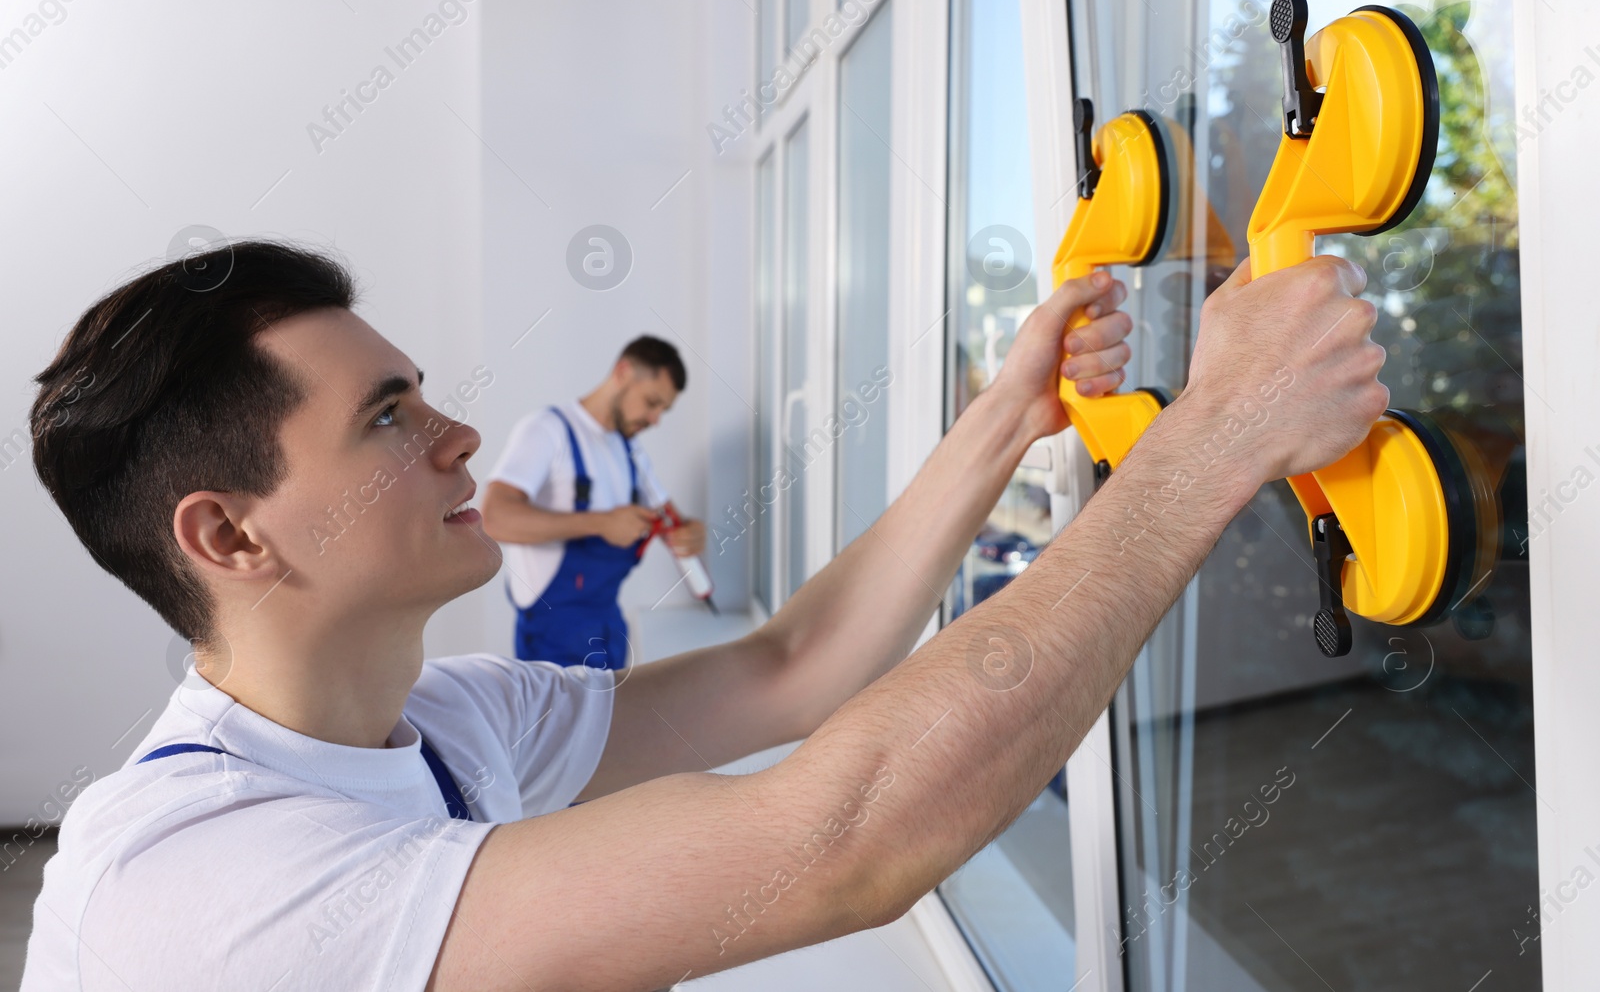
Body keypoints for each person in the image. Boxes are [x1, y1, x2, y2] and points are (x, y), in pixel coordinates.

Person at [21, 239, 1384, 991]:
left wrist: (1004, 418)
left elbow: (796, 664)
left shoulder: (452, 720)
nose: (460, 435)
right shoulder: (193, 883)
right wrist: (1216, 440)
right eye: (389, 416)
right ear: (228, 531)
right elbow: (846, 836)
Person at [481, 336, 705, 669]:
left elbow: (673, 520)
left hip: (609, 632)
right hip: (553, 644)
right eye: (652, 402)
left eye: (664, 410)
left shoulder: (630, 450)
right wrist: (601, 523)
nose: (656, 419)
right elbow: (493, 519)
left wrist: (692, 532)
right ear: (623, 372)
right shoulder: (548, 431)